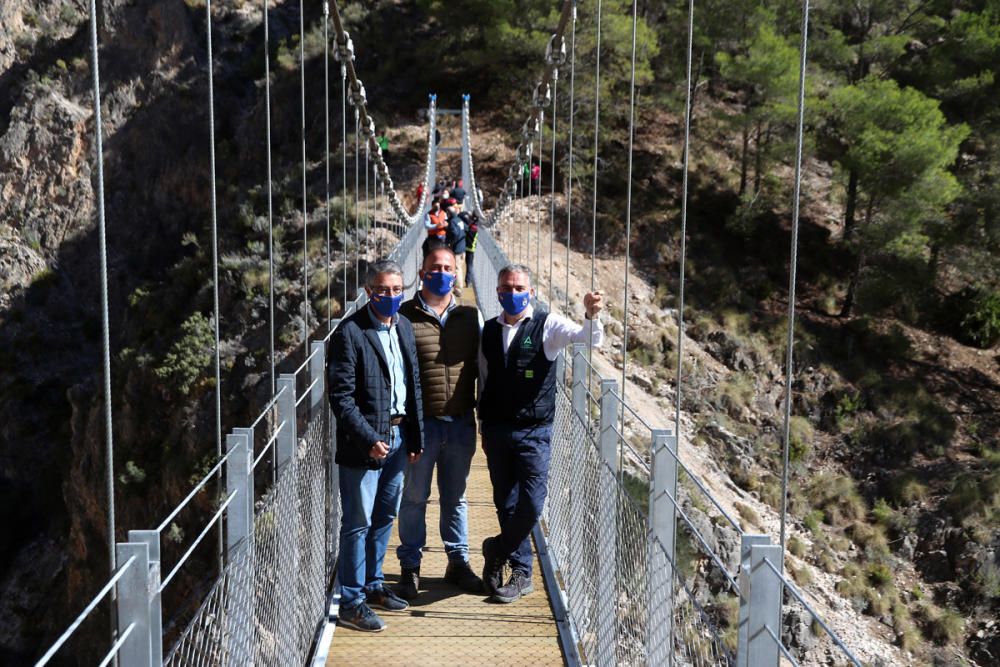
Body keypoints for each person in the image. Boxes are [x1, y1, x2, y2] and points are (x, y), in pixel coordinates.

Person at [479, 264, 604, 604]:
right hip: (497, 430)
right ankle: (522, 573)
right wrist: (482, 424)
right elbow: (485, 379)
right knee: (506, 503)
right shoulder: (488, 330)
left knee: (532, 504)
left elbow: (588, 340)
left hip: (534, 432)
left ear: (531, 292)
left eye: (519, 287)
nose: (513, 293)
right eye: (506, 287)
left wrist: (591, 315)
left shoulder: (548, 325)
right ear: (497, 291)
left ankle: (497, 548)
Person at [328, 260, 425, 632]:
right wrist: (369, 440)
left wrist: (415, 436)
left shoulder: (402, 325)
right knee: (357, 522)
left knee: (385, 516)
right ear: (369, 291)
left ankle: (373, 584)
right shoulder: (349, 333)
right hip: (364, 444)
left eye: (396, 289)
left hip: (399, 439)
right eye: (382, 290)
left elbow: (412, 385)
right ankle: (351, 602)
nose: (390, 296)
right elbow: (342, 397)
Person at [395, 245, 483, 600]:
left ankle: (457, 562)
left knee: (456, 497)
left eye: (448, 267)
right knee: (415, 497)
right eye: (435, 267)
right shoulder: (403, 315)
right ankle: (410, 566)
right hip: (421, 425)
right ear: (421, 272)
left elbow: (484, 367)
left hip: (461, 422)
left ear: (456, 273)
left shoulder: (470, 317)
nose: (441, 273)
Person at [445, 204, 467, 286]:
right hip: (463, 248)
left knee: (457, 268)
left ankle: (458, 288)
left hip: (457, 250)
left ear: (448, 213)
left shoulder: (452, 222)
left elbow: (455, 233)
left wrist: (450, 243)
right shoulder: (459, 220)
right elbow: (466, 228)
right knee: (459, 268)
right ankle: (457, 284)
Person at [463, 214, 479, 288]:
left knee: (464, 265)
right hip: (471, 249)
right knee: (469, 265)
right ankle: (468, 281)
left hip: (466, 248)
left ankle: (466, 281)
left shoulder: (469, 228)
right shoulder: (475, 228)